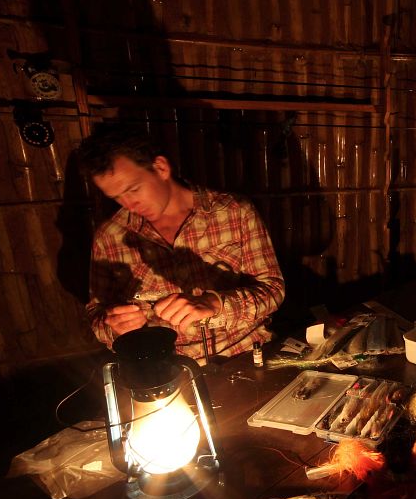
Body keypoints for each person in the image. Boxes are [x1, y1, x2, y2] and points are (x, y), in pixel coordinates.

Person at [78, 125, 285, 362]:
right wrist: (115, 327)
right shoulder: (110, 237)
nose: (129, 204)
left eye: (134, 189)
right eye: (116, 198)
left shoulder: (234, 212)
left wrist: (214, 304)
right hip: (164, 364)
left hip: (244, 352)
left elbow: (273, 290)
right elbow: (96, 312)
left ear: (161, 167)